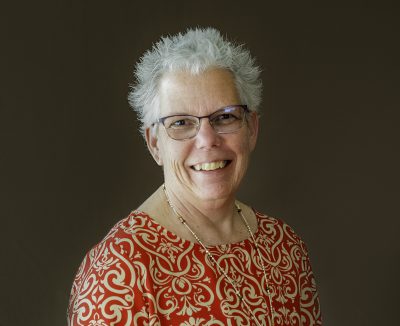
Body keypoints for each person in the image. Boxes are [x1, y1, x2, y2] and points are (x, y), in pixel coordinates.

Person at [67, 28, 322, 326]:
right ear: (154, 143)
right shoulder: (120, 272)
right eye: (181, 122)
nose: (207, 140)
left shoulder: (284, 246)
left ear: (251, 128)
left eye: (225, 116)